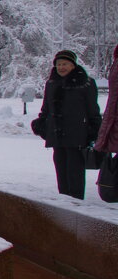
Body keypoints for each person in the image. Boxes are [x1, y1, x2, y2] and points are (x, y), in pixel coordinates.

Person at [31, 49, 100, 200]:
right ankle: (64, 205)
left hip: (77, 137)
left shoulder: (86, 84)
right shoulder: (51, 83)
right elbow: (46, 109)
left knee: (75, 174)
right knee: (61, 173)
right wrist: (41, 124)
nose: (61, 67)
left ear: (73, 65)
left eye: (65, 64)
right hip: (57, 135)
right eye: (59, 64)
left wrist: (93, 132)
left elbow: (93, 111)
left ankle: (76, 206)